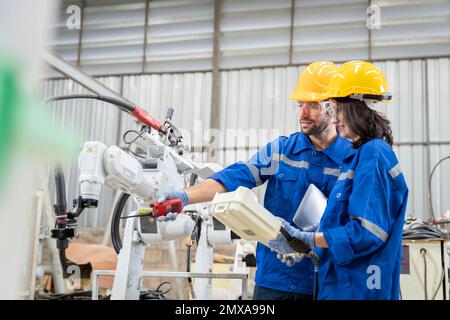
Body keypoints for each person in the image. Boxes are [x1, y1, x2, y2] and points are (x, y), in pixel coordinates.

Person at [159, 61, 354, 300]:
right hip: (275, 280)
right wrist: (184, 197)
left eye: (312, 105)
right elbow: (234, 177)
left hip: (327, 281)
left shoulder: (353, 158)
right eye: (300, 105)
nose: (303, 113)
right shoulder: (281, 151)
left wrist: (313, 242)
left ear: (332, 107)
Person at [268, 61, 409, 299]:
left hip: (358, 288)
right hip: (341, 284)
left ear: (356, 107)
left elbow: (366, 233)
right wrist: (305, 247)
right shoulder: (359, 156)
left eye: (335, 109)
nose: (333, 119)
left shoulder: (373, 155)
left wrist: (307, 239)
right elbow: (340, 224)